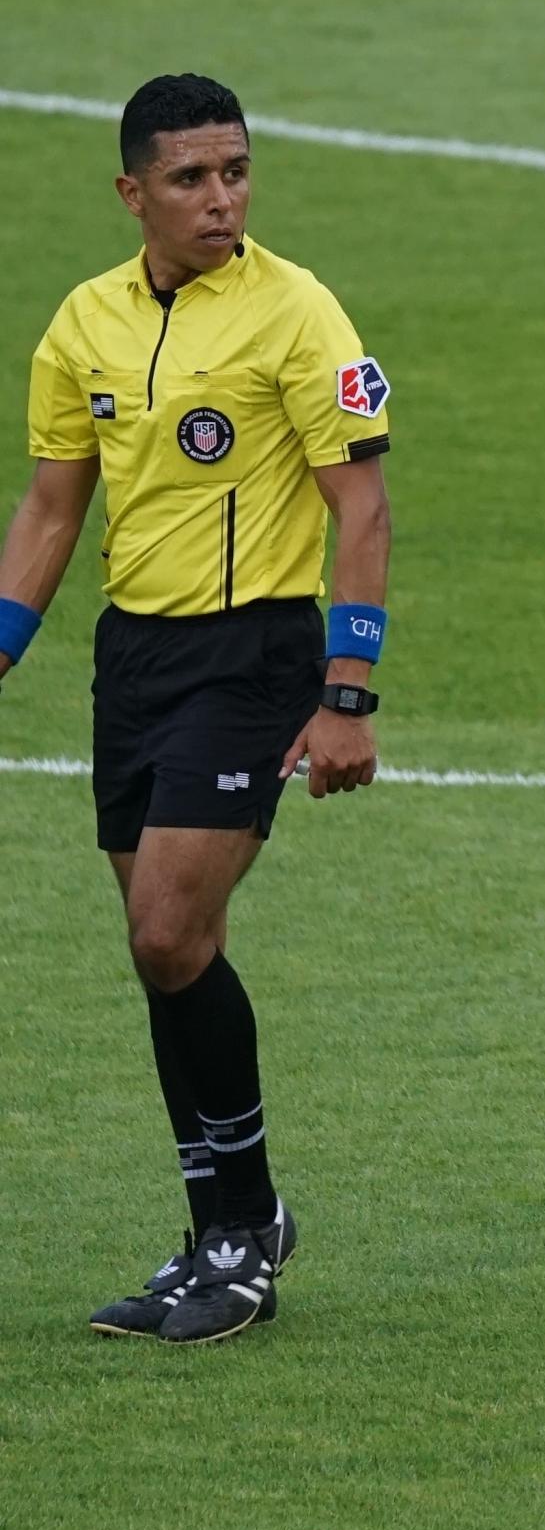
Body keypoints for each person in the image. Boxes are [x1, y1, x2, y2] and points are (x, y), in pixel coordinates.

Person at [0, 74, 393, 1345]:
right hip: (134, 657)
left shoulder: (297, 310)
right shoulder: (85, 321)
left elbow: (361, 509)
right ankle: (225, 1223)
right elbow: (53, 505)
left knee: (171, 933)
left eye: (235, 171)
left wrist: (346, 692)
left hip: (255, 651)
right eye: (190, 178)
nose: (221, 198)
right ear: (134, 192)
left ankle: (241, 1226)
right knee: (162, 949)